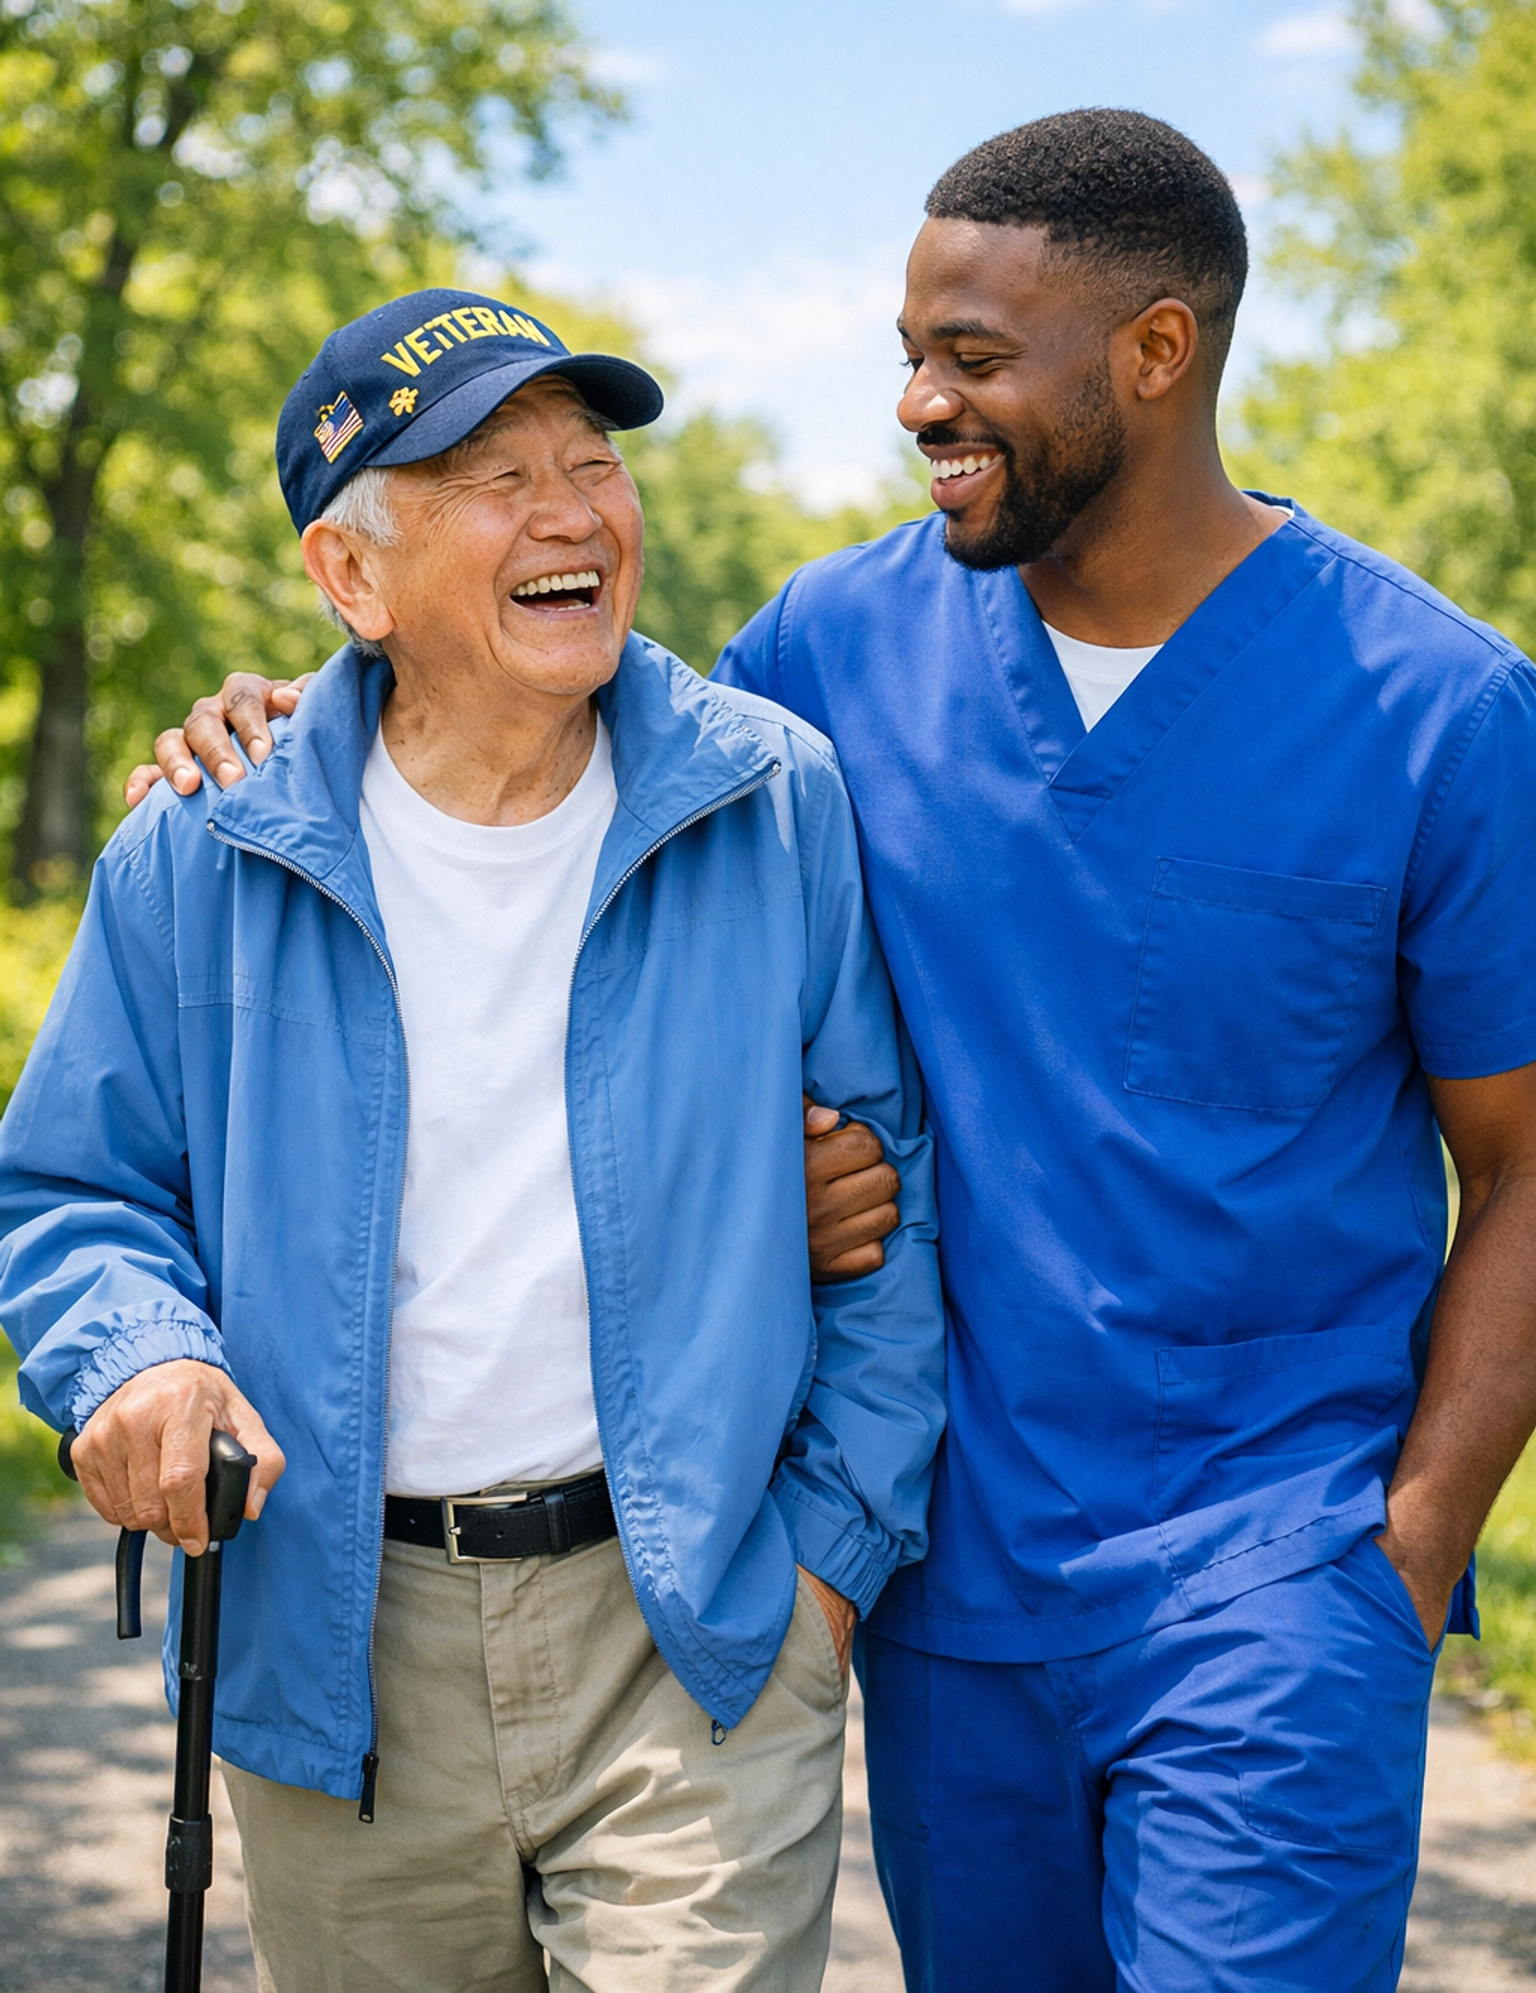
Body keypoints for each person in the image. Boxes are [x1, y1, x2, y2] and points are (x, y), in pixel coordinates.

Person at [129, 109, 1536, 1992]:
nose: (917, 404)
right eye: (905, 356)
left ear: (1156, 351)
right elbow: (544, 725)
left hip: (1275, 1582)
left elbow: (1522, 1161)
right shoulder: (832, 650)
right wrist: (285, 712)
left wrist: (1413, 1549)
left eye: (970, 359)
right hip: (951, 1595)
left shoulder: (1438, 707)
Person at [0, 289, 946, 1993]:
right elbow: (74, 1189)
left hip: (696, 1629)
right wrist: (138, 1359)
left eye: (592, 462)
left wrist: (830, 1567)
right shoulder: (206, 849)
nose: (575, 511)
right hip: (334, 1638)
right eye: (491, 478)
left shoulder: (766, 797)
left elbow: (889, 1191)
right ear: (351, 578)